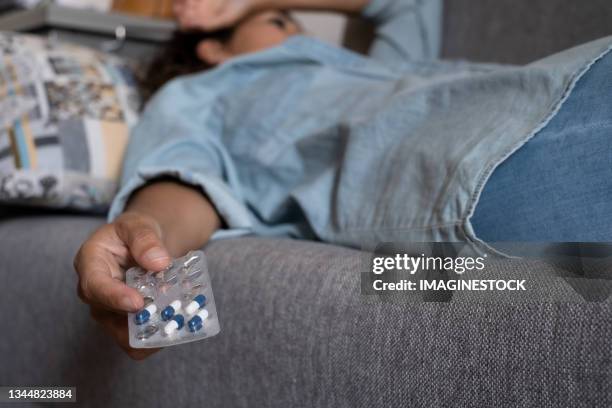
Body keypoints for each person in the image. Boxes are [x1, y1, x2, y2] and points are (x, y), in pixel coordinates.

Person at [73, 0, 612, 359]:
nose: (297, 30)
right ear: (212, 47)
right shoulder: (201, 92)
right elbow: (182, 179)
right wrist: (145, 231)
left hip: (552, 88)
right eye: (280, 21)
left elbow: (410, 4)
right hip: (488, 160)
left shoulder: (368, 67)